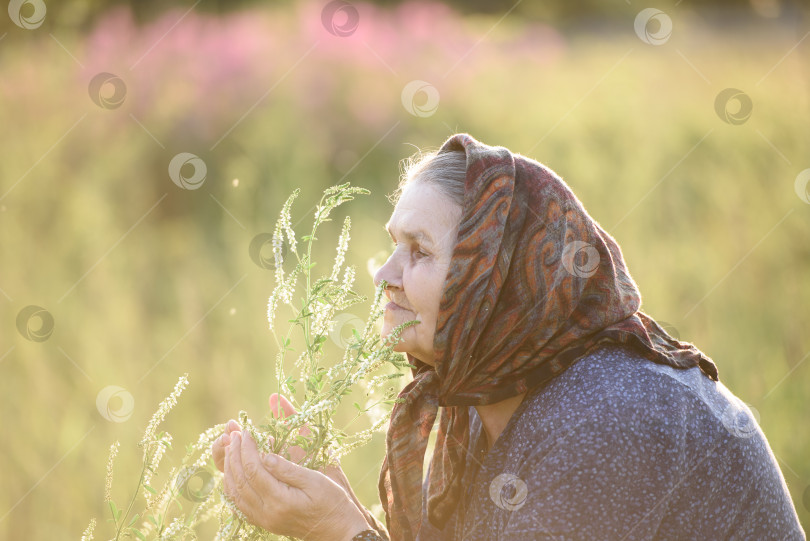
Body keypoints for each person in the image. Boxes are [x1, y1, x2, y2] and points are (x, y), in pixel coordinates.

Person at [213, 133, 806, 540]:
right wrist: (334, 500)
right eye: (393, 244)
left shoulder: (609, 416)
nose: (383, 275)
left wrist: (338, 530)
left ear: (493, 281)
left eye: (418, 251)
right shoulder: (483, 402)